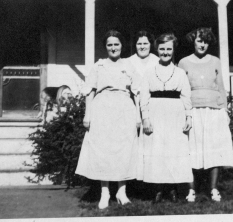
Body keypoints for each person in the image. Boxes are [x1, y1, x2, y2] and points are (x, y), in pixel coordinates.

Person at [75, 30, 141, 209]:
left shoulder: (129, 65)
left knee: (123, 150)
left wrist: (138, 116)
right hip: (102, 109)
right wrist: (87, 115)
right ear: (106, 47)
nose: (113, 48)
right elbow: (90, 92)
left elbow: (137, 92)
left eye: (116, 44)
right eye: (110, 45)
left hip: (124, 109)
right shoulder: (99, 66)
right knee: (103, 150)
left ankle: (121, 192)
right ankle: (105, 193)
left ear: (122, 45)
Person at [178, 27, 233, 202]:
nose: (202, 44)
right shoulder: (183, 62)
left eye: (205, 41)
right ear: (193, 42)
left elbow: (220, 87)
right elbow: (182, 89)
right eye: (199, 41)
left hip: (214, 110)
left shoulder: (216, 61)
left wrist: (224, 110)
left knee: (214, 149)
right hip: (193, 110)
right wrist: (184, 112)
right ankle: (191, 190)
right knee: (191, 149)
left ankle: (213, 189)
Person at [140, 33, 193, 203]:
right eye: (162, 49)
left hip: (175, 114)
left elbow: (186, 96)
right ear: (157, 49)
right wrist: (146, 118)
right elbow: (143, 98)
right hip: (155, 113)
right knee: (156, 150)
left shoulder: (180, 73)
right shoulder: (149, 72)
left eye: (168, 49)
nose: (165, 52)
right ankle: (158, 190)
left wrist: (188, 117)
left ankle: (172, 189)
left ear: (173, 50)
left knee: (173, 150)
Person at [128, 30, 159, 181]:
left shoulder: (157, 60)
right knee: (134, 143)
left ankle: (152, 181)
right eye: (139, 43)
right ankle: (135, 182)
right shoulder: (129, 61)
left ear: (151, 44)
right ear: (135, 45)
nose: (142, 46)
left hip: (152, 105)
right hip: (132, 105)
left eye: (145, 43)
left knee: (151, 142)